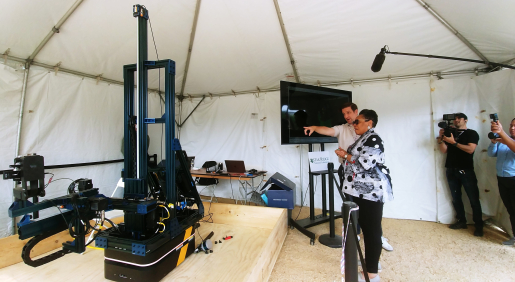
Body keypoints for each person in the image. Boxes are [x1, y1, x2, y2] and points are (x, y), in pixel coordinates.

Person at [303, 102, 394, 252]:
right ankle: (355, 234)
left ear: (356, 113)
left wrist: (346, 154)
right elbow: (328, 130)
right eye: (344, 114)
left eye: (349, 113)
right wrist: (314, 128)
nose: (347, 117)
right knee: (351, 205)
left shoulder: (370, 135)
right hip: (347, 173)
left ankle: (376, 238)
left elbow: (366, 161)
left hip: (367, 181)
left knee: (370, 212)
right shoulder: (343, 128)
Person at [335, 109, 393, 282]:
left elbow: (366, 163)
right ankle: (371, 263)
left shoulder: (373, 139)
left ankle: (372, 273)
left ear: (369, 122)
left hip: (370, 194)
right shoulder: (363, 138)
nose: (354, 124)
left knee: (372, 230)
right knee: (367, 228)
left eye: (357, 121)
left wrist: (345, 154)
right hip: (359, 192)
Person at [437, 113, 483, 236]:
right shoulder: (449, 133)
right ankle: (461, 221)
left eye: (459, 118)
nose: (456, 120)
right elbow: (444, 150)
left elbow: (470, 149)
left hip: (466, 170)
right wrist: (442, 139)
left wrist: (454, 142)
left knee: (473, 199)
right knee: (456, 198)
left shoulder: (472, 133)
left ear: (465, 120)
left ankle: (479, 226)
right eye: (455, 119)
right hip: (451, 169)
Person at [488, 118, 515, 245]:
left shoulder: (507, 140)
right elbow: (491, 154)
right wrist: (494, 142)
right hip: (502, 178)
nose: (512, 128)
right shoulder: (503, 140)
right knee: (510, 209)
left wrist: (502, 134)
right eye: (511, 125)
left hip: (514, 179)